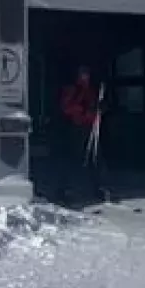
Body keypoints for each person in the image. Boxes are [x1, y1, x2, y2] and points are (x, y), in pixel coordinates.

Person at [57, 65, 106, 205]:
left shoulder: (90, 90)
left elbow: (96, 106)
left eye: (87, 73)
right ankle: (66, 188)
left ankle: (97, 186)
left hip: (90, 127)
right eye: (83, 73)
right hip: (76, 127)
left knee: (95, 157)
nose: (85, 76)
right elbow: (66, 107)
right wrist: (83, 109)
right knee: (74, 159)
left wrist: (100, 107)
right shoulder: (72, 89)